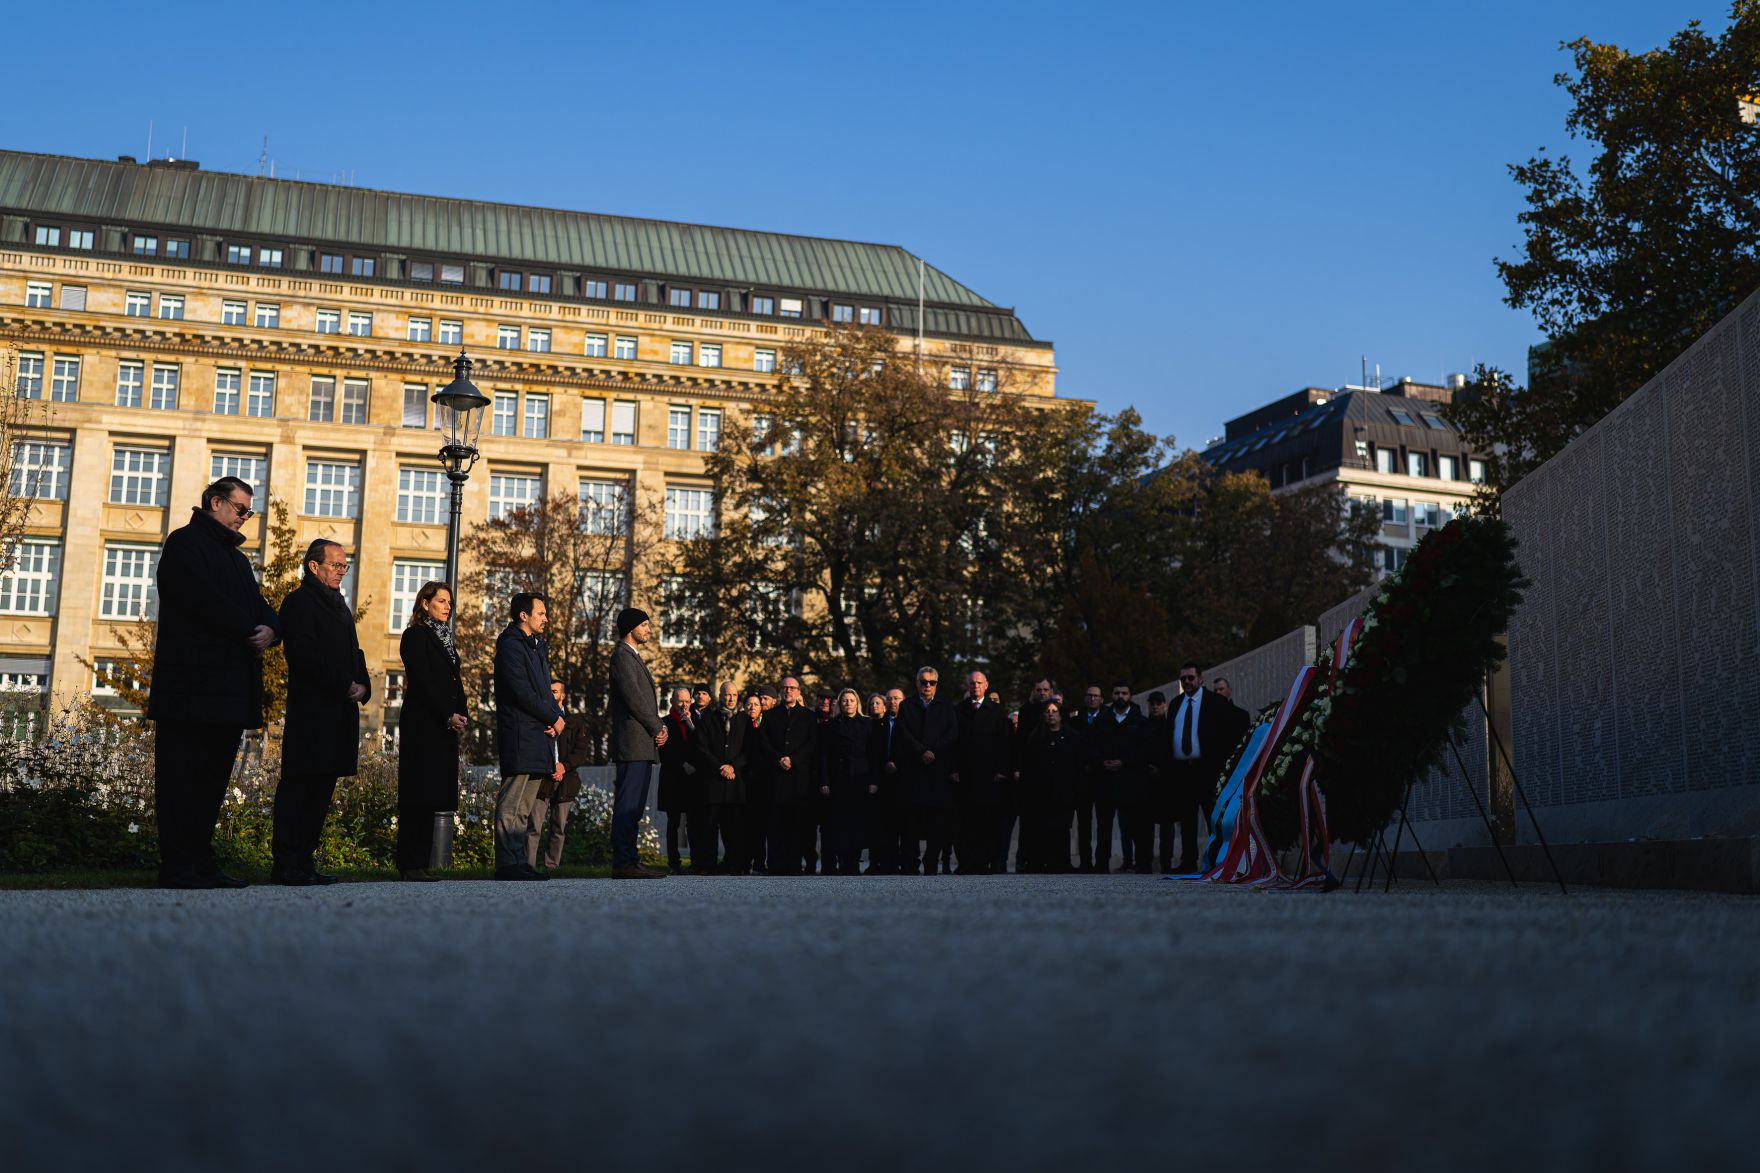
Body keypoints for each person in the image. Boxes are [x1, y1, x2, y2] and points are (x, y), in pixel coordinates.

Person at [147, 476, 280, 889]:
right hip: (188, 687)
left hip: (226, 692)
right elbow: (198, 599)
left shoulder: (239, 561)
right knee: (181, 778)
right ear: (214, 503)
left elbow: (261, 607)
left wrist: (271, 630)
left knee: (212, 780)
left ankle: (202, 860)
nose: (245, 518)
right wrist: (248, 628)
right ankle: (178, 865)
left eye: (249, 512)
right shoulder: (184, 543)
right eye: (241, 509)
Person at [271, 539, 370, 886]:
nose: (341, 572)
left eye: (344, 566)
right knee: (300, 785)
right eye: (336, 565)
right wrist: (344, 683)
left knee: (323, 788)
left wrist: (362, 684)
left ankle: (305, 860)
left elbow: (354, 651)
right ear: (314, 566)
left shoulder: (340, 605)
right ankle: (286, 863)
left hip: (339, 712)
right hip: (312, 711)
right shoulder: (298, 602)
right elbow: (303, 655)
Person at [397, 581, 468, 881]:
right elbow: (423, 681)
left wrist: (461, 713)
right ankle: (409, 863)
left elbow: (454, 682)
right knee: (417, 793)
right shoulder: (415, 636)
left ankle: (421, 864)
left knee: (432, 795)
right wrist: (446, 714)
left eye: (449, 602)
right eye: (441, 601)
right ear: (425, 604)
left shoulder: (446, 639)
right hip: (423, 723)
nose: (447, 606)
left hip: (443, 725)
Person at [493, 592, 566, 881]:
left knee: (524, 807)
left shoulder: (537, 648)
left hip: (537, 735)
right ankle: (506, 864)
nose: (546, 618)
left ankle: (519, 861)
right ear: (524, 615)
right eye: (541, 613)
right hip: (520, 733)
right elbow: (520, 691)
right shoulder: (511, 645)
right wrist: (551, 717)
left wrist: (555, 720)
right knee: (512, 802)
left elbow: (544, 692)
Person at [608, 606, 668, 879]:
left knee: (634, 806)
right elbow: (634, 698)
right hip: (632, 743)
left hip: (641, 743)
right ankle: (623, 862)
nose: (648, 630)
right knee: (628, 805)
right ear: (631, 627)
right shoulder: (622, 656)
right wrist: (658, 725)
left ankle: (630, 859)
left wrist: (658, 728)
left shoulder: (631, 656)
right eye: (644, 625)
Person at [1166, 662, 1239, 874]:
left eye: (1191, 677)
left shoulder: (1215, 702)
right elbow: (1169, 736)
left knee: (1212, 817)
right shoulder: (1175, 704)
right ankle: (1188, 861)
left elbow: (1226, 736)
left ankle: (1217, 860)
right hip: (1183, 771)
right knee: (1186, 820)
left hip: (1207, 770)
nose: (1187, 682)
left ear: (1201, 679)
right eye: (1183, 679)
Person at [526, 679, 593, 873]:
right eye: (549, 692)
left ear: (563, 695)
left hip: (566, 781)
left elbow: (581, 751)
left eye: (554, 692)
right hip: (541, 780)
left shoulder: (575, 722)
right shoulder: (538, 720)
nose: (551, 695)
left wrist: (563, 767)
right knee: (534, 827)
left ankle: (552, 866)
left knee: (558, 827)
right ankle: (527, 866)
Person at [899, 666, 959, 874]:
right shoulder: (906, 706)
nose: (927, 686)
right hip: (914, 771)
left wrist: (933, 751)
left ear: (936, 684)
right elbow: (903, 733)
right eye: (923, 682)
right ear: (917, 683)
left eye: (931, 682)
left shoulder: (946, 706)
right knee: (911, 822)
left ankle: (931, 861)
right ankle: (910, 863)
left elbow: (952, 734)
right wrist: (921, 751)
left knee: (937, 821)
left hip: (937, 771)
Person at [954, 669, 1012, 874]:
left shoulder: (996, 711)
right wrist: (954, 769)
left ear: (986, 685)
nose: (975, 686)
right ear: (967, 686)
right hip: (965, 776)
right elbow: (952, 742)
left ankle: (984, 862)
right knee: (965, 823)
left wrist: (1002, 770)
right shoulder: (959, 710)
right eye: (972, 683)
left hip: (989, 776)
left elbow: (1005, 743)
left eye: (979, 683)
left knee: (987, 822)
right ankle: (967, 863)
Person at [760, 676, 818, 875]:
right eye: (784, 688)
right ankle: (775, 864)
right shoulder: (769, 716)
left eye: (792, 688)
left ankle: (793, 864)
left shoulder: (808, 716)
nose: (788, 691)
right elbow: (764, 743)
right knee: (775, 824)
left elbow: (812, 744)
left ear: (798, 691)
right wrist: (779, 758)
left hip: (798, 779)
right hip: (776, 778)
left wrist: (793, 759)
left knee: (796, 824)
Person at [1091, 683, 1149, 873]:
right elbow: (1093, 745)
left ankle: (1141, 863)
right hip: (1105, 781)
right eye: (1117, 693)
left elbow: (1143, 749)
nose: (1120, 696)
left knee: (1135, 825)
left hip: (1130, 781)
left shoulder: (1139, 721)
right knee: (1104, 827)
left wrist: (1124, 762)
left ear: (1130, 695)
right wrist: (1102, 762)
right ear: (1112, 696)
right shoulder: (1102, 720)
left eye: (1124, 693)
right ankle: (1101, 865)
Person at [1020, 701, 1083, 872]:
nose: (1051, 714)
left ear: (1061, 715)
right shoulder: (1035, 738)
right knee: (1040, 829)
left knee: (1061, 829)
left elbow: (1077, 766)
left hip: (1064, 791)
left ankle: (1061, 862)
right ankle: (1037, 863)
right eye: (1047, 711)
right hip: (1040, 792)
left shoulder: (1072, 737)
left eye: (1054, 711)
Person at [693, 683, 748, 874]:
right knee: (709, 827)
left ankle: (734, 865)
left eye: (734, 695)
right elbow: (702, 749)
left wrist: (733, 766)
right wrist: (720, 767)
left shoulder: (744, 720)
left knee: (734, 828)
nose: (731, 698)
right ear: (720, 696)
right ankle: (708, 866)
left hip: (735, 782)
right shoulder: (708, 719)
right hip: (713, 782)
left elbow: (749, 751)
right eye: (727, 695)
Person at [818, 688, 872, 875]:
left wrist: (874, 781)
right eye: (845, 701)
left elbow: (873, 754)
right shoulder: (831, 726)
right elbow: (824, 755)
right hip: (838, 778)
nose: (848, 703)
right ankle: (842, 861)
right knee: (839, 822)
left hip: (860, 778)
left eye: (851, 700)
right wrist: (824, 781)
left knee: (856, 822)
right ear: (840, 704)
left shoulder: (867, 724)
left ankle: (854, 862)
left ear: (857, 703)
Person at [868, 687, 911, 874]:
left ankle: (908, 863)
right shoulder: (877, 724)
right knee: (886, 825)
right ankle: (888, 863)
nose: (893, 701)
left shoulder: (911, 722)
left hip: (905, 779)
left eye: (897, 698)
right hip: (884, 781)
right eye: (890, 699)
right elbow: (873, 752)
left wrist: (899, 764)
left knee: (907, 825)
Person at [658, 686, 697, 873]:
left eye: (687, 701)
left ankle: (697, 861)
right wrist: (683, 764)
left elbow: (700, 744)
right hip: (673, 778)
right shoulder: (663, 722)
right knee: (673, 822)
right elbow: (664, 751)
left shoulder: (695, 721)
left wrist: (690, 724)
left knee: (694, 822)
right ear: (673, 701)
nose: (684, 705)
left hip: (692, 780)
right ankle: (673, 862)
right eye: (681, 701)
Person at [1073, 684, 1106, 872]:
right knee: (1084, 823)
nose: (1092, 699)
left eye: (1096, 696)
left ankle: (1101, 862)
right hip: (1082, 778)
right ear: (1085, 698)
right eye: (1089, 695)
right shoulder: (1077, 722)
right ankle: (1085, 861)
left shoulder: (1108, 719)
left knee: (1103, 823)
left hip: (1102, 777)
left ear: (1101, 699)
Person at [739, 691, 771, 873]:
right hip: (743, 780)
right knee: (744, 825)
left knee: (761, 825)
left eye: (756, 704)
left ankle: (759, 862)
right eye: (749, 704)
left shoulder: (766, 725)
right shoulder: (739, 724)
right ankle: (743, 862)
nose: (752, 708)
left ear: (761, 708)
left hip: (762, 781)